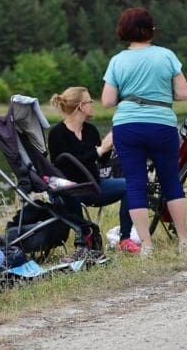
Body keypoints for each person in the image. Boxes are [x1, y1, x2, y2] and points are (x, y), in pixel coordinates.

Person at [101, 7, 187, 257]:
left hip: (127, 126)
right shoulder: (166, 56)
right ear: (149, 29)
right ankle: (184, 241)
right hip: (161, 123)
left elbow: (107, 101)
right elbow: (184, 93)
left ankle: (147, 246)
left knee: (135, 184)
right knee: (171, 181)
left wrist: (129, 93)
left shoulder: (117, 61)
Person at [48, 87, 141, 256]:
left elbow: (100, 162)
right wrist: (99, 150)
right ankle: (85, 236)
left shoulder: (90, 131)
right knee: (69, 191)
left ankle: (125, 239)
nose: (93, 105)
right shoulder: (57, 134)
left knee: (131, 185)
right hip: (70, 189)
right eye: (90, 101)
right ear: (81, 106)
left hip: (94, 186)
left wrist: (110, 147)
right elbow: (64, 167)